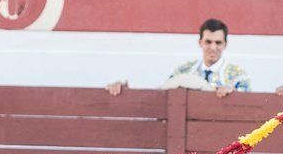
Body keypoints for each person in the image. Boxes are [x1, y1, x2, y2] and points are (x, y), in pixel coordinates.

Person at [107, 18, 250, 99]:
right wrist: (125, 93)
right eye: (208, 42)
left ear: (225, 44)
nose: (213, 47)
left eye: (218, 42)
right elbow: (161, 96)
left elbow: (247, 107)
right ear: (200, 42)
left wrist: (233, 95)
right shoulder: (184, 70)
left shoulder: (238, 76)